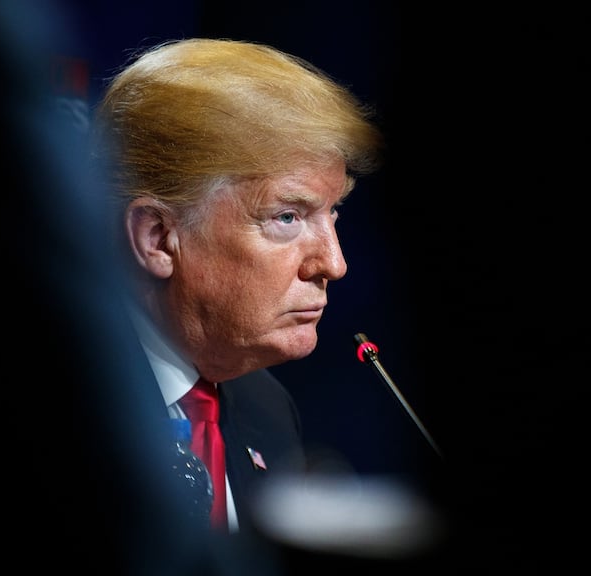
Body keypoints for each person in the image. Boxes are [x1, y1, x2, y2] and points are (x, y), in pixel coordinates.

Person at [90, 37, 384, 539]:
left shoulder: (266, 409)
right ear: (158, 238)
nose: (334, 264)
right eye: (287, 216)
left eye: (332, 215)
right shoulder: (64, 405)